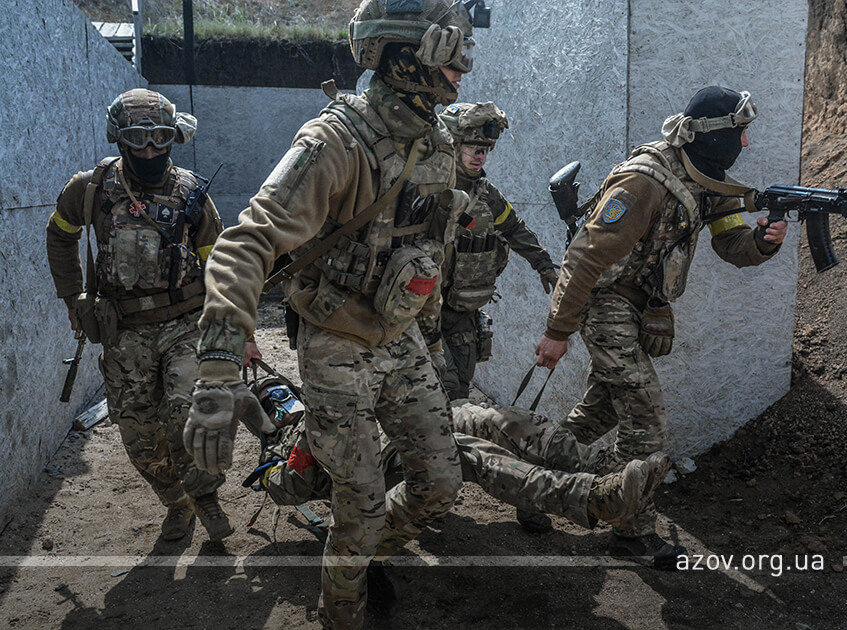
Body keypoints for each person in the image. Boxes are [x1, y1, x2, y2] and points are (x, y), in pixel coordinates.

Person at [181, 2, 488, 628]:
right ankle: (340, 610)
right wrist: (216, 369)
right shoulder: (335, 141)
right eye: (451, 49)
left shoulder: (434, 138)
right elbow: (246, 243)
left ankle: (359, 554)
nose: (463, 66)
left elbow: (428, 250)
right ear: (406, 54)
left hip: (401, 337)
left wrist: (430, 339)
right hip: (335, 343)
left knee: (440, 485)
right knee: (361, 504)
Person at [534, 86, 788, 569]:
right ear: (712, 135)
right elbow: (584, 258)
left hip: (638, 306)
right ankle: (631, 532)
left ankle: (531, 479)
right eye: (740, 133)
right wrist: (557, 331)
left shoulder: (709, 180)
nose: (746, 144)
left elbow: (731, 243)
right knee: (645, 417)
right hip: (604, 301)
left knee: (601, 410)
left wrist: (763, 241)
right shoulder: (643, 183)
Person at [45, 88, 235, 542]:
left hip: (185, 323)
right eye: (138, 140)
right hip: (124, 330)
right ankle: (177, 502)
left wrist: (230, 325)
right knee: (139, 435)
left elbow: (218, 260)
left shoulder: (191, 192)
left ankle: (206, 495)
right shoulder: (90, 189)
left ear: (174, 137)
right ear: (119, 138)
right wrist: (73, 297)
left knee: (189, 411)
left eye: (160, 139)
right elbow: (60, 234)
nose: (150, 151)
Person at [236, 372, 669, 550]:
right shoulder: (279, 449)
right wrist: (299, 443)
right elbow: (289, 488)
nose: (281, 402)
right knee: (462, 450)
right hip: (380, 470)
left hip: (403, 428)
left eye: (282, 392)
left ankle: (604, 471)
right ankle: (593, 498)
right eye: (271, 401)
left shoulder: (326, 393)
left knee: (497, 419)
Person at [436, 102, 558, 401]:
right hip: (423, 309)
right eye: (472, 148)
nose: (479, 156)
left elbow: (513, 229)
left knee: (461, 386)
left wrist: (544, 265)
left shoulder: (485, 194)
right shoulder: (429, 190)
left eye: (485, 150)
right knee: (443, 386)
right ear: (453, 146)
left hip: (461, 309)